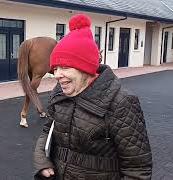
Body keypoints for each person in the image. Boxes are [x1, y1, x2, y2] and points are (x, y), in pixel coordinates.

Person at [33, 14, 152, 180]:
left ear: (86, 68)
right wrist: (42, 160)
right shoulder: (59, 94)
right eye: (56, 68)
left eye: (65, 67)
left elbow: (138, 169)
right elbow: (47, 132)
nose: (57, 75)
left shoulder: (122, 102)